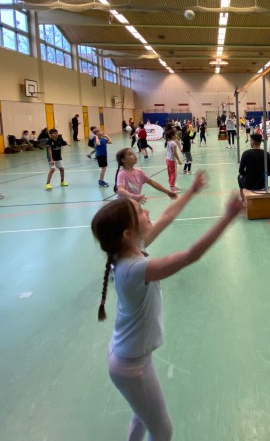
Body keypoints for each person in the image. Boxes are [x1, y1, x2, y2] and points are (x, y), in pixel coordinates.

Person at [93, 173, 244, 441]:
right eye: (141, 212)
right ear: (128, 233)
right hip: (132, 366)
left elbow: (167, 216)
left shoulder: (129, 248)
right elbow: (190, 256)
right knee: (163, 430)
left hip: (127, 357)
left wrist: (191, 191)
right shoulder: (134, 269)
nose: (148, 211)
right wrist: (227, 218)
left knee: (142, 416)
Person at [238, 133, 270, 200]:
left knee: (239, 177)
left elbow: (241, 171)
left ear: (253, 142)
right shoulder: (267, 154)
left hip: (249, 184)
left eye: (250, 141)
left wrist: (248, 175)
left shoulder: (246, 153)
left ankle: (243, 199)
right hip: (263, 184)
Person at [165, 129, 182, 193]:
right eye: (175, 134)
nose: (176, 135)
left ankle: (172, 185)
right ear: (172, 136)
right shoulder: (173, 143)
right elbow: (175, 153)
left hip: (167, 159)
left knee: (170, 174)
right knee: (173, 174)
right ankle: (172, 188)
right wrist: (179, 160)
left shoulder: (168, 142)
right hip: (172, 160)